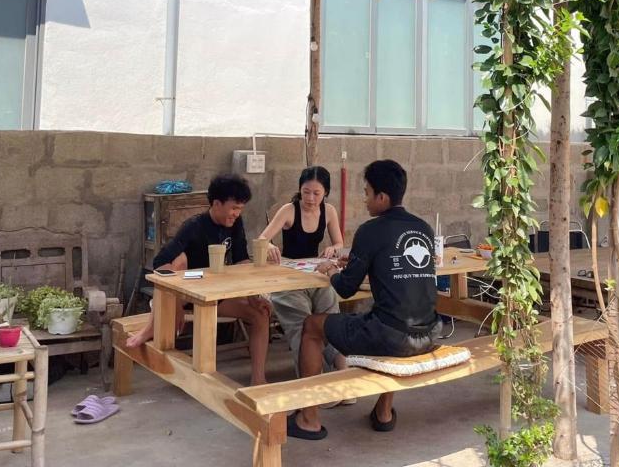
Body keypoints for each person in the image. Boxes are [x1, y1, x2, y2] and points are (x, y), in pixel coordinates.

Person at [287, 160, 441, 440]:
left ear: (382, 197)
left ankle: (308, 418)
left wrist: (332, 269)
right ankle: (383, 412)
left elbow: (345, 289)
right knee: (395, 317)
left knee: (311, 326)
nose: (364, 198)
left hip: (391, 335)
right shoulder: (424, 229)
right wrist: (358, 260)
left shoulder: (371, 230)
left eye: (367, 192)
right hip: (430, 332)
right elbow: (395, 267)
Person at [125, 174, 272, 386]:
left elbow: (241, 261)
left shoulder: (236, 223)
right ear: (216, 204)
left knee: (260, 314)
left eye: (240, 209)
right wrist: (176, 302)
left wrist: (253, 297)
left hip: (216, 293)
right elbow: (160, 264)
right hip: (188, 293)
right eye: (233, 208)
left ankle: (258, 379)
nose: (236, 214)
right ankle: (150, 327)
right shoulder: (194, 226)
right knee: (179, 261)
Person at [257, 166, 349, 380]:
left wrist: (333, 249)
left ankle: (343, 374)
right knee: (303, 324)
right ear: (300, 189)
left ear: (325, 192)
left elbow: (339, 243)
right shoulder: (289, 210)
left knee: (331, 318)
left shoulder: (329, 211)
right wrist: (269, 246)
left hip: (315, 272)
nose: (310, 198)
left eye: (316, 193)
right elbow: (262, 238)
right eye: (306, 192)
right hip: (290, 275)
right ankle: (316, 382)